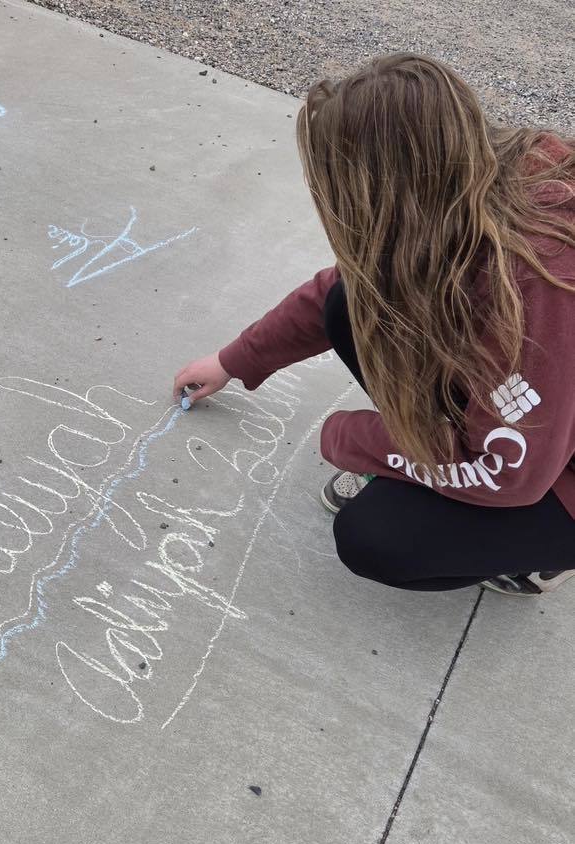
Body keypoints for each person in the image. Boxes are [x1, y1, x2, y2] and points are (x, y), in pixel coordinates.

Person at [173, 53, 575, 597]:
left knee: (379, 535)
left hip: (550, 472)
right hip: (545, 417)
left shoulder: (533, 289)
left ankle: (530, 554)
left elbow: (509, 472)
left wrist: (350, 438)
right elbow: (343, 289)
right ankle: (446, 474)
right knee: (350, 306)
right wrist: (233, 360)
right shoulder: (469, 184)